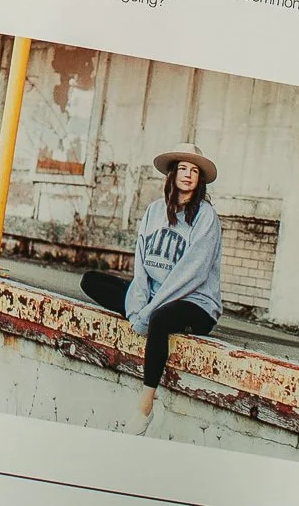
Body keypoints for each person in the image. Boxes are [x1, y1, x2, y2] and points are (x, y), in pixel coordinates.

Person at [80, 143, 223, 418]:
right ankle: (146, 314)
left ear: (199, 179)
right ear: (172, 174)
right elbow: (142, 263)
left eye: (194, 170)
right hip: (155, 295)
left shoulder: (206, 217)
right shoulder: (155, 211)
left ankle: (145, 404)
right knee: (91, 281)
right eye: (183, 168)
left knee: (159, 320)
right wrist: (137, 305)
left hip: (195, 302)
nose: (188, 175)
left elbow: (192, 273)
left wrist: (149, 310)